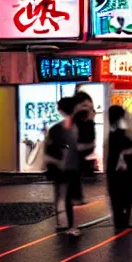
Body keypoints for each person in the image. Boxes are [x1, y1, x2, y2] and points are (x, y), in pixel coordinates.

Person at [44, 97, 81, 237]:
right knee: (66, 197)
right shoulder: (72, 126)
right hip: (66, 167)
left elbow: (49, 149)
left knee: (60, 195)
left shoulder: (57, 128)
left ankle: (61, 223)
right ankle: (68, 225)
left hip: (60, 166)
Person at [106, 106, 132, 231]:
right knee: (127, 197)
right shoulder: (123, 133)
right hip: (125, 173)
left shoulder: (113, 134)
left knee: (117, 199)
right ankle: (123, 223)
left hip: (114, 172)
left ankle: (120, 224)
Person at [73, 91, 97, 203]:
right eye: (84, 106)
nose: (88, 110)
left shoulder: (88, 122)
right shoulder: (73, 122)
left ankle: (76, 197)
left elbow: (90, 142)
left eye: (90, 107)